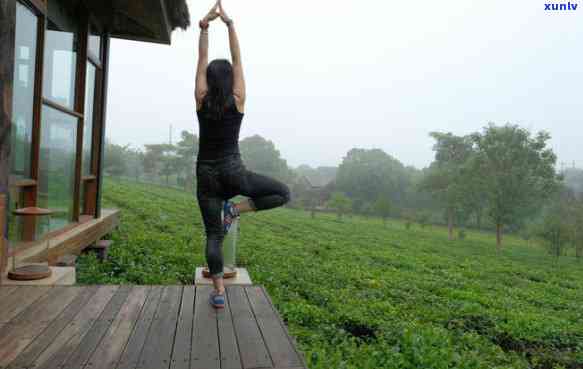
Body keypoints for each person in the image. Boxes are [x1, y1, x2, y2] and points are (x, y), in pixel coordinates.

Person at [195, 1, 291, 309]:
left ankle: (219, 292)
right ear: (230, 80)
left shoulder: (200, 98)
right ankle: (236, 210)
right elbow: (238, 60)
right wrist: (230, 25)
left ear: (209, 81)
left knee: (213, 235)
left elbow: (202, 59)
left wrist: (204, 27)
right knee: (283, 193)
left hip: (206, 175)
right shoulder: (238, 99)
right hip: (234, 173)